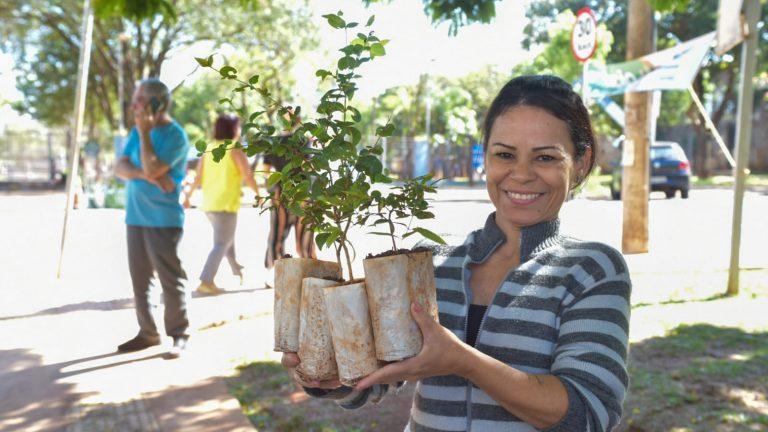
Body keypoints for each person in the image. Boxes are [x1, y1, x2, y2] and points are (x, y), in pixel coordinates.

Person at [282, 75, 632, 431]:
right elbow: (379, 377)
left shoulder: (592, 269)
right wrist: (325, 373)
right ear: (486, 156)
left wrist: (463, 361)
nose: (522, 174)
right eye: (504, 154)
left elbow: (587, 412)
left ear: (581, 163)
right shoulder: (429, 261)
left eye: (545, 157)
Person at [114, 78, 191, 359]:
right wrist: (146, 174)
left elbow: (153, 166)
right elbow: (120, 167)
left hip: (163, 219)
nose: (133, 105)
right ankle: (148, 333)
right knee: (140, 280)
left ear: (156, 104)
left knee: (171, 279)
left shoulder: (175, 136)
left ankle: (179, 335)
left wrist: (146, 137)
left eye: (139, 100)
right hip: (135, 216)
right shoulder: (136, 131)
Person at [183, 114, 262, 294]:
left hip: (210, 204)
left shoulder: (209, 149)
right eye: (238, 127)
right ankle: (206, 281)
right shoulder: (234, 149)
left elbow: (198, 177)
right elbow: (248, 175)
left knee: (225, 239)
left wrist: (188, 196)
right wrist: (260, 195)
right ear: (233, 129)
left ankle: (236, 268)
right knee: (222, 242)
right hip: (225, 204)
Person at [261, 115, 317, 287]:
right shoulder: (302, 141)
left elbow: (265, 172)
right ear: (298, 121)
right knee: (304, 241)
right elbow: (309, 168)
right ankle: (310, 276)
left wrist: (274, 188)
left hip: (280, 194)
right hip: (302, 194)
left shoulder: (272, 142)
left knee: (277, 236)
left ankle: (275, 275)